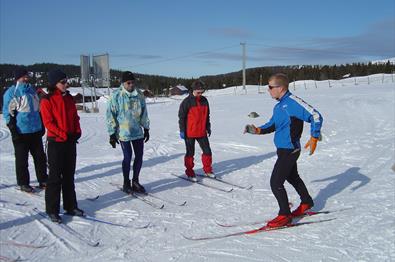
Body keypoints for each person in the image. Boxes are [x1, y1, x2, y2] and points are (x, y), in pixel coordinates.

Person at [244, 73, 323, 228]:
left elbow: (316, 115)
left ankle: (284, 215)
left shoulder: (293, 103)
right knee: (292, 177)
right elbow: (273, 124)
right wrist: (258, 130)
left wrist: (314, 136)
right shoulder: (279, 106)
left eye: (270, 87)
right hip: (282, 149)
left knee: (276, 182)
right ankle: (306, 202)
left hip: (290, 149)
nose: (268, 90)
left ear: (280, 88)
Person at [40, 69, 83, 223]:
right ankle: (52, 209)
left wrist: (77, 131)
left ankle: (70, 205)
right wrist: (63, 134)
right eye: (62, 82)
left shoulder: (69, 99)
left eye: (66, 81)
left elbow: (75, 118)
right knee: (54, 178)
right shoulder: (47, 100)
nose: (66, 84)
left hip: (70, 142)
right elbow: (48, 123)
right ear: (54, 83)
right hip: (56, 143)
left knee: (69, 176)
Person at [2, 68, 48, 193]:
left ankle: (43, 180)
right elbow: (8, 113)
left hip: (35, 130)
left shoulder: (32, 90)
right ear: (18, 78)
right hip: (21, 132)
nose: (27, 78)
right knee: (22, 159)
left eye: (27, 76)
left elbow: (37, 110)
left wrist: (42, 125)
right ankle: (23, 182)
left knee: (40, 157)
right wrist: (13, 130)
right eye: (24, 76)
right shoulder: (12, 93)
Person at [106, 71, 150, 194]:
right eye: (128, 83)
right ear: (123, 83)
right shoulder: (116, 95)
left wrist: (146, 128)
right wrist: (111, 133)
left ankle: (135, 181)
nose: (131, 85)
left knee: (139, 156)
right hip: (123, 133)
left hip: (137, 131)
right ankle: (126, 182)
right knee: (128, 157)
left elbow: (144, 113)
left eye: (133, 82)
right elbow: (110, 115)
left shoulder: (139, 95)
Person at [178, 80, 214, 181]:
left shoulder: (204, 101)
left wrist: (208, 127)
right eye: (198, 92)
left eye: (202, 92)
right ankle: (189, 172)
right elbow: (182, 117)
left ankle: (208, 170)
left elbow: (207, 116)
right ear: (193, 90)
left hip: (202, 131)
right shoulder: (186, 102)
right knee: (190, 153)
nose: (200, 94)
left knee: (207, 151)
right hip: (190, 132)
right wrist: (182, 130)